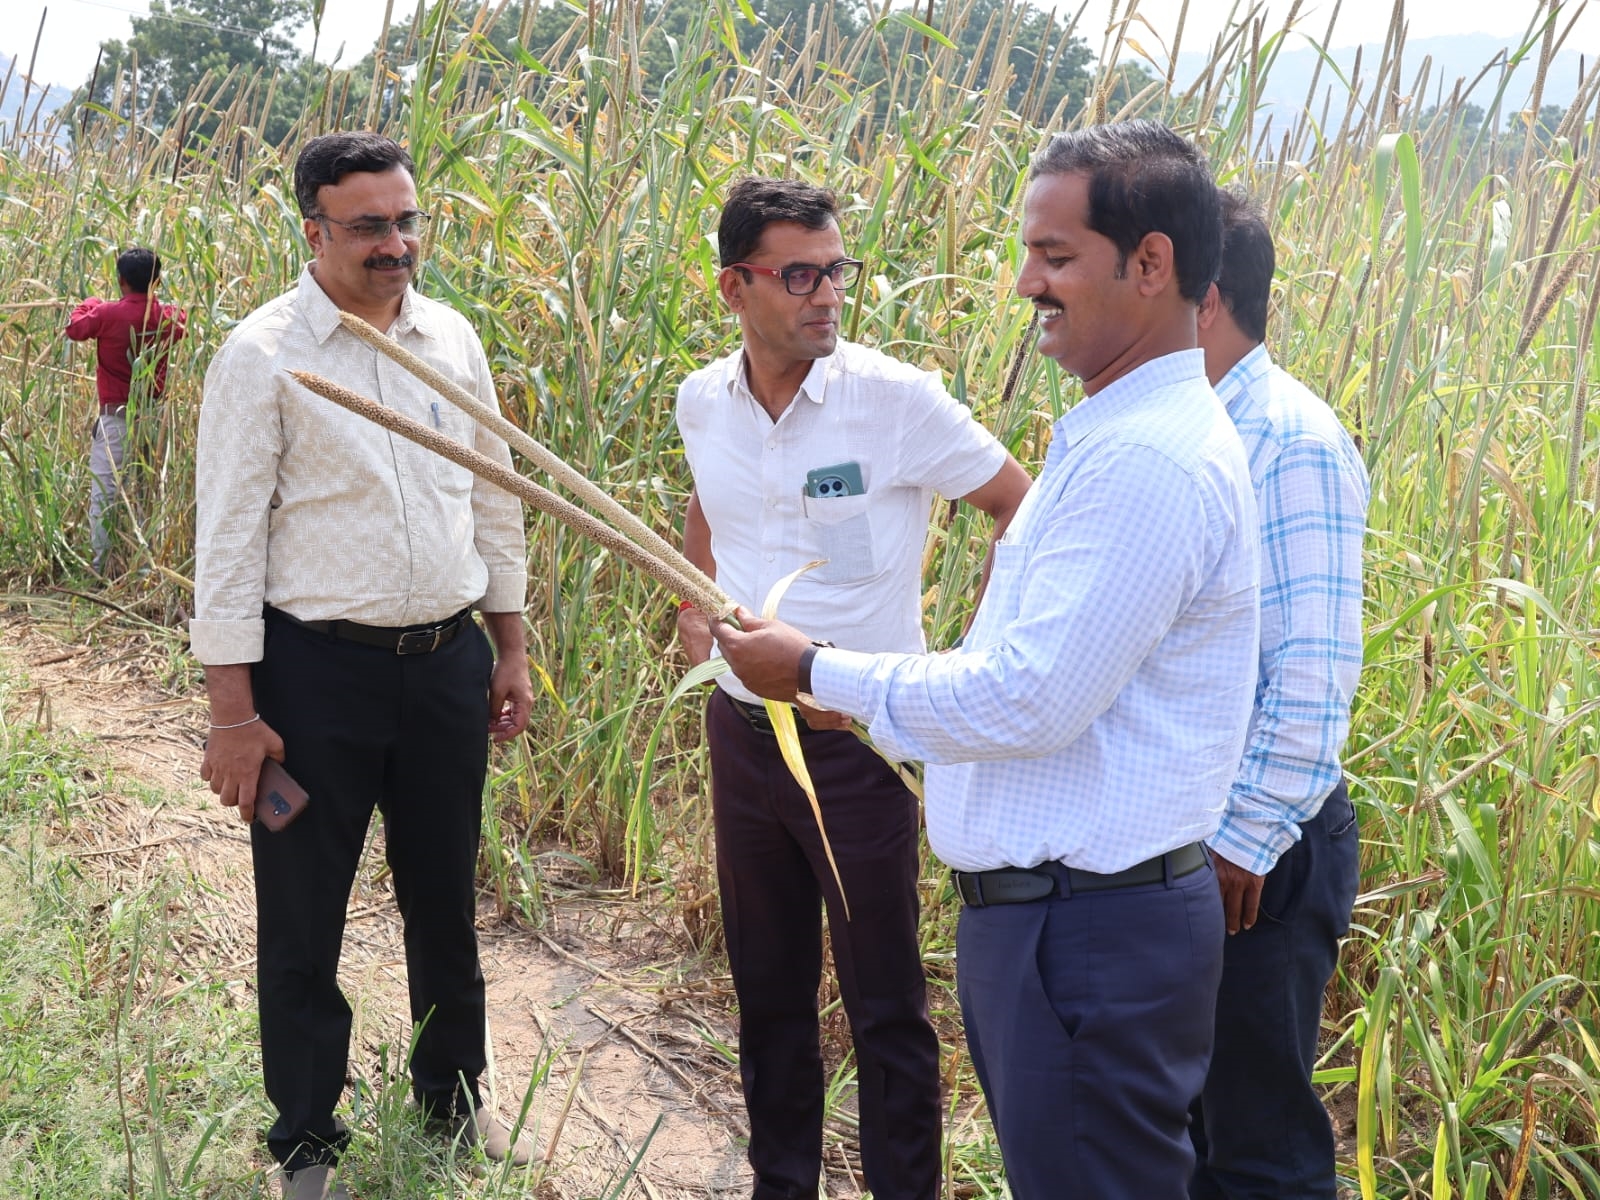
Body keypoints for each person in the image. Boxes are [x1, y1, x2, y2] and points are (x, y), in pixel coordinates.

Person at [710, 121, 1260, 1199]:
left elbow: (1029, 697)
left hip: (1086, 929)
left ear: (1149, 265)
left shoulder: (1146, 462)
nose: (1024, 286)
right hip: (1061, 921)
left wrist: (827, 674)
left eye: (1054, 258)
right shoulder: (1110, 435)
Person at [192, 132, 536, 1200]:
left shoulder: (450, 338)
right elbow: (229, 538)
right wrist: (233, 714)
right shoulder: (265, 354)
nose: (396, 244)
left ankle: (448, 1096)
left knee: (445, 898)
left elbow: (492, 494)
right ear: (314, 232)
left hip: (443, 662)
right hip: (314, 675)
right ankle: (304, 1139)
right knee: (304, 912)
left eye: (406, 220)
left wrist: (509, 641)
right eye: (369, 226)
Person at [675, 175, 1031, 1200]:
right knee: (767, 985)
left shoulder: (894, 401)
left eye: (837, 271)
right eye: (801, 274)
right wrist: (698, 615)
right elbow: (711, 508)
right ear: (734, 287)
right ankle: (781, 1183)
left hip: (860, 743)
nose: (828, 294)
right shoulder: (704, 399)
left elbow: (1019, 508)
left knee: (884, 1002)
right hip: (743, 733)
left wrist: (971, 658)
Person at [1188, 188, 1369, 1200]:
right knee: (1189, 1131)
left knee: (1256, 1151)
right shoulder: (1196, 427)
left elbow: (1311, 673)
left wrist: (1239, 838)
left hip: (1259, 850)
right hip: (1201, 834)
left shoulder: (1287, 440)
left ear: (1203, 298)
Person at [65, 246, 187, 571]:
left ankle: (103, 567)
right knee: (146, 494)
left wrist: (90, 303)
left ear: (121, 280)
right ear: (157, 281)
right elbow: (182, 322)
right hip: (152, 418)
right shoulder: (167, 317)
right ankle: (144, 567)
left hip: (115, 419)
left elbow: (75, 328)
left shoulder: (106, 314)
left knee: (104, 494)